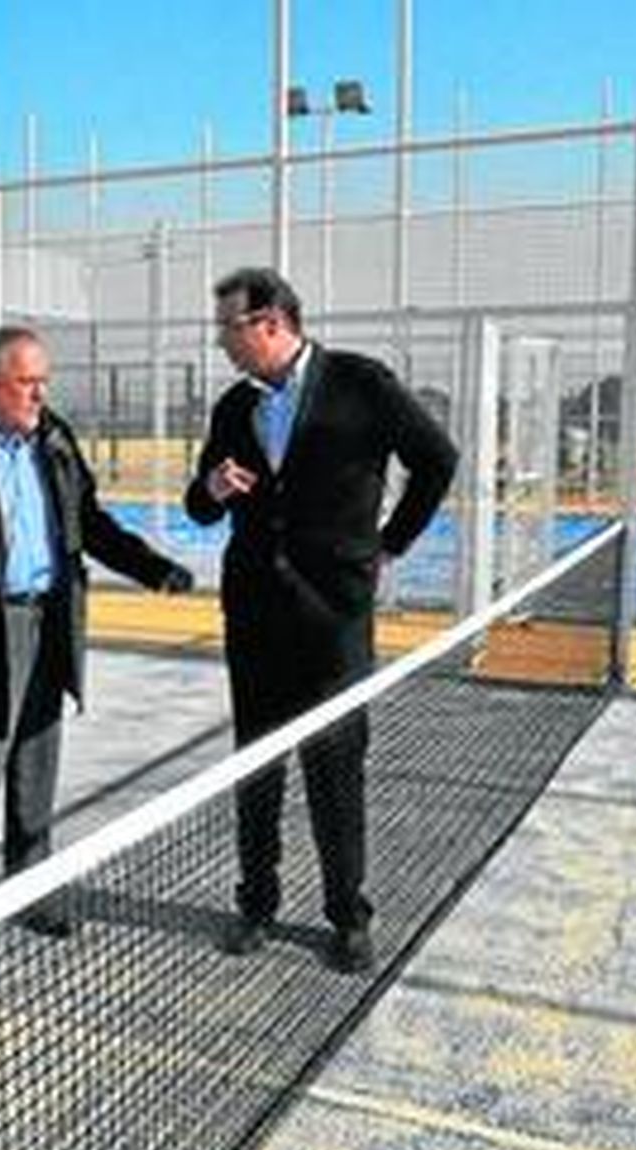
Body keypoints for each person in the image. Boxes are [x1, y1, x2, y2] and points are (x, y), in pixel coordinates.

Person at [0, 325, 193, 947]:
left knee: (35, 762)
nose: (39, 394)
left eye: (43, 382)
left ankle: (30, 885)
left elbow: (91, 523)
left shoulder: (54, 440)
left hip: (47, 621)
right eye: (27, 382)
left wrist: (152, 569)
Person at [185, 267, 458, 971]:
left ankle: (347, 914)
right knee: (257, 762)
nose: (221, 341)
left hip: (333, 615)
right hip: (254, 615)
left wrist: (389, 543)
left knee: (336, 764)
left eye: (227, 327)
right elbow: (200, 502)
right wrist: (212, 487)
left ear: (270, 323)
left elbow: (436, 459)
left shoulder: (361, 383)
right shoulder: (232, 406)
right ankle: (257, 903)